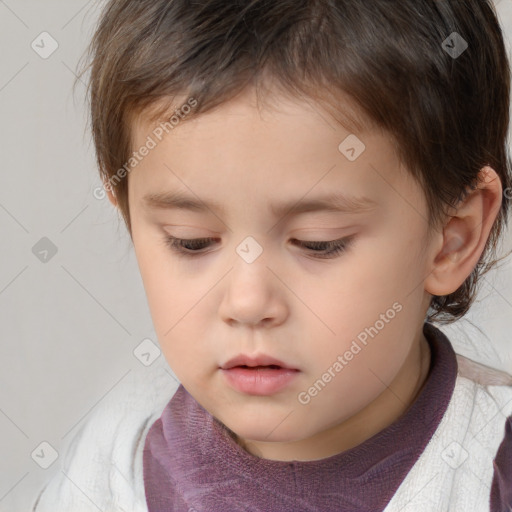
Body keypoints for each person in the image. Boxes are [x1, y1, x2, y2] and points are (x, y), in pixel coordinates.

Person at [32, 0, 512, 510]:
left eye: (318, 242)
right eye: (190, 240)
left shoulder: (491, 471)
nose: (247, 301)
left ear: (451, 237)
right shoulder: (116, 461)